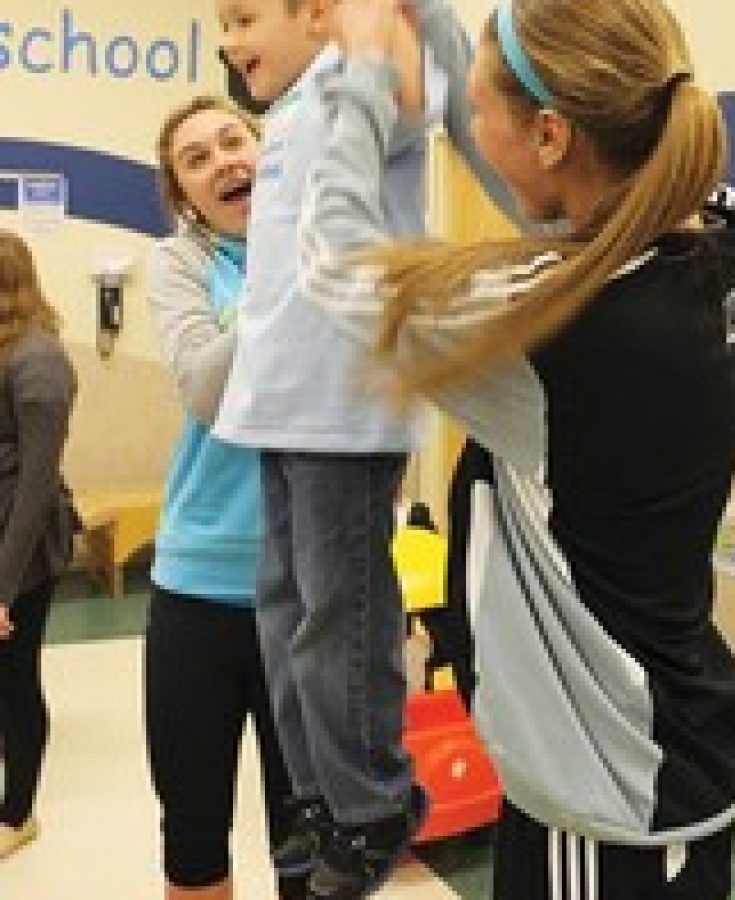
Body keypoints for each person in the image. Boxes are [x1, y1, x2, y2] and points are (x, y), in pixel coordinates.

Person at [296, 0, 735, 897]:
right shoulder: (730, 235)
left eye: (478, 112)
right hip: (666, 740)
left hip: (607, 787)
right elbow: (575, 219)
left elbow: (332, 266)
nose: (467, 128)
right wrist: (431, 21)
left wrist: (359, 73)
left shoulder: (556, 334)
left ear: (552, 136)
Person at [211, 2, 518, 897]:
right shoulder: (293, 111)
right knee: (281, 608)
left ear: (317, 15)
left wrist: (390, 22)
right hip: (279, 407)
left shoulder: (367, 80)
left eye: (242, 18)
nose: (229, 42)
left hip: (341, 411)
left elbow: (442, 75)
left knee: (337, 614)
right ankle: (318, 793)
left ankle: (372, 800)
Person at [146, 95, 307, 900]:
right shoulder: (181, 264)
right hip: (197, 589)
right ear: (182, 195)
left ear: (266, 148)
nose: (223, 163)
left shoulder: (331, 243)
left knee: (314, 845)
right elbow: (209, 392)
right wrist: (282, 276)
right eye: (196, 160)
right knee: (195, 836)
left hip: (310, 591)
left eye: (232, 141)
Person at [0, 230, 77, 860]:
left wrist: (3, 586)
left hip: (19, 548)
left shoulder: (39, 360)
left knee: (13, 679)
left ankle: (18, 812)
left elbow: (35, 484)